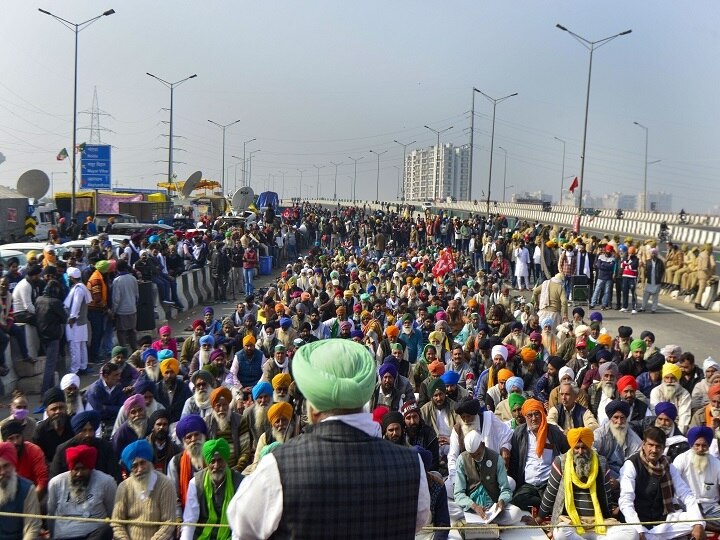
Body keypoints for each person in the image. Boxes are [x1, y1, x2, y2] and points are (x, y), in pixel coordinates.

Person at [227, 339, 430, 538]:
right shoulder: (412, 464)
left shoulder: (278, 467)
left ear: (313, 410)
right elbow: (419, 522)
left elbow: (243, 527)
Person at [618, 426, 705, 540]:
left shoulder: (667, 465)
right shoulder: (631, 465)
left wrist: (698, 523)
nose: (654, 450)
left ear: (663, 448)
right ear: (643, 445)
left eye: (658, 446)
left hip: (663, 522)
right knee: (632, 535)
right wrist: (639, 529)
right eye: (651, 445)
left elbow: (685, 494)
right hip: (638, 523)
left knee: (696, 520)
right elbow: (626, 501)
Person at [537, 427, 621, 540]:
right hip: (571, 523)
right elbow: (550, 493)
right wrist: (539, 518)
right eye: (577, 448)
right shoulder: (561, 462)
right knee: (560, 533)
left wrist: (611, 513)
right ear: (572, 447)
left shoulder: (601, 462)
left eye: (584, 447)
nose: (580, 452)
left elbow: (607, 495)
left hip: (598, 522)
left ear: (590, 446)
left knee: (629, 533)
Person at [509, 398, 570, 510]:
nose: (534, 418)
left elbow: (568, 453)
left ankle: (543, 506)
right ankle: (545, 505)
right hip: (528, 484)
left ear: (542, 414)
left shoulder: (554, 432)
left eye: (537, 414)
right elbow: (514, 461)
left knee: (562, 502)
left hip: (548, 483)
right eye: (529, 415)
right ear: (525, 417)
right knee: (517, 501)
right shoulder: (519, 433)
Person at [47, 444, 116, 540]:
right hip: (64, 536)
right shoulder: (56, 483)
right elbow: (51, 514)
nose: (79, 474)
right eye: (76, 469)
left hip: (94, 535)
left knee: (107, 529)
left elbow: (112, 513)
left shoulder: (106, 482)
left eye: (83, 469)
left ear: (90, 468)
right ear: (71, 469)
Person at [112, 439, 177, 540]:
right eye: (134, 466)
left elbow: (168, 523)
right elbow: (117, 523)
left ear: (150, 462)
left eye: (143, 463)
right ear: (130, 468)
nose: (140, 469)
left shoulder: (165, 484)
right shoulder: (124, 487)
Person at [454, 430, 522, 526]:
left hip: (492, 507)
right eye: (472, 456)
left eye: (478, 454)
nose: (475, 458)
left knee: (516, 513)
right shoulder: (462, 459)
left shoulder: (496, 458)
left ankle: (483, 521)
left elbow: (506, 489)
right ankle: (484, 522)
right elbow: (458, 493)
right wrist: (474, 506)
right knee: (448, 507)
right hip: (471, 508)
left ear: (483, 444)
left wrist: (502, 501)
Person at [180, 438, 243, 540]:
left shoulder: (240, 482)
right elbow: (190, 520)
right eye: (212, 461)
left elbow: (240, 522)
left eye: (220, 460)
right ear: (207, 462)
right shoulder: (195, 483)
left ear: (226, 460)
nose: (216, 466)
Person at [674, 426, 720, 533]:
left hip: (710, 508)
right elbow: (673, 485)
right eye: (697, 445)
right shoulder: (681, 460)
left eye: (704, 446)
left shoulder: (716, 464)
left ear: (708, 446)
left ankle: (700, 524)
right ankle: (703, 525)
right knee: (677, 519)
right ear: (691, 445)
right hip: (686, 507)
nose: (700, 449)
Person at [0, 441, 41, 540]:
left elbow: (32, 526)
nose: (2, 472)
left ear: (13, 465)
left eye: (6, 466)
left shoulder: (28, 488)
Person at [0, 420, 48, 501]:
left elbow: (42, 481)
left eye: (18, 437)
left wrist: (29, 501)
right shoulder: (1, 452)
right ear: (4, 442)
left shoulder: (34, 451)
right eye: (11, 439)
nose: (15, 442)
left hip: (31, 494)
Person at [168, 414, 207, 511]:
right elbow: (173, 495)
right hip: (187, 514)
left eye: (196, 435)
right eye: (189, 437)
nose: (193, 439)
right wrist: (178, 518)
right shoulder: (175, 462)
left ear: (203, 436)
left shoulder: (213, 457)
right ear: (183, 441)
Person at [649, 362, 692, 434]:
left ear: (678, 379)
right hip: (659, 425)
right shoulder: (656, 391)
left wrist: (679, 434)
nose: (669, 381)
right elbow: (655, 413)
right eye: (667, 378)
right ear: (663, 379)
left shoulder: (684, 394)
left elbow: (684, 416)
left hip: (677, 427)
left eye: (673, 378)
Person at [64, 267, 92, 375]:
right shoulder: (81, 287)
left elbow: (75, 305)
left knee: (75, 346)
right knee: (81, 346)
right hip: (81, 322)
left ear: (71, 278)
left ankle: (75, 369)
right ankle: (83, 366)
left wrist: (72, 318)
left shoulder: (78, 290)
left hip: (76, 322)